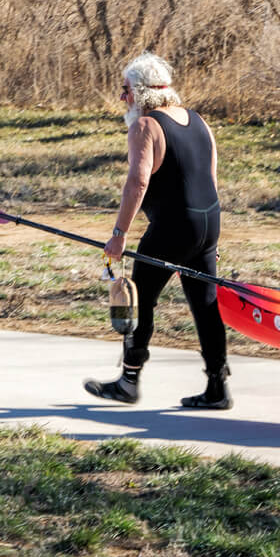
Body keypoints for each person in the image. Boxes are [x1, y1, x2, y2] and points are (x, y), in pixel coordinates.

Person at [83, 53, 232, 410]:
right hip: (208, 223)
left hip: (173, 228)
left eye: (125, 90)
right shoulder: (198, 120)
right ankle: (217, 387)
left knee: (140, 299)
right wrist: (205, 235)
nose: (123, 98)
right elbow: (210, 177)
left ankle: (128, 381)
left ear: (140, 91)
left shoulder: (145, 127)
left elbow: (137, 181)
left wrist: (118, 235)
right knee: (205, 304)